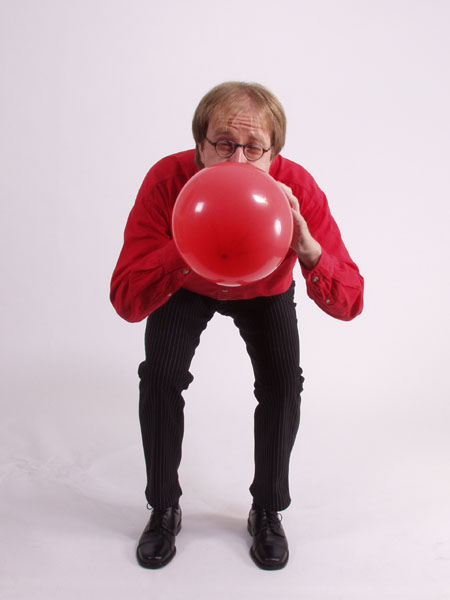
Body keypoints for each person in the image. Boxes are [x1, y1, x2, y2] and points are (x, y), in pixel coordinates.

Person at [110, 81, 364, 571]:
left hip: (265, 291)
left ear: (275, 154)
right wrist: (186, 243)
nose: (238, 161)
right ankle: (163, 508)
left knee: (284, 385)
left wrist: (308, 249)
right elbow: (125, 298)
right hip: (186, 283)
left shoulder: (298, 188)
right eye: (224, 144)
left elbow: (351, 301)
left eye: (254, 148)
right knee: (159, 378)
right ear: (199, 145)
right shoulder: (167, 180)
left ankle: (267, 510)